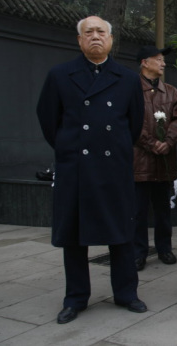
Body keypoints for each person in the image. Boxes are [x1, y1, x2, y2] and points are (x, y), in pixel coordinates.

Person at [36, 16, 147, 324]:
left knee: (121, 233)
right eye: (89, 32)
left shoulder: (126, 79)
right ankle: (75, 298)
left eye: (101, 32)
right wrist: (68, 148)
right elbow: (48, 120)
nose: (95, 37)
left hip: (114, 168)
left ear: (111, 40)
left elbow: (135, 124)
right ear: (79, 40)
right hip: (76, 169)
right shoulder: (59, 76)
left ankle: (127, 293)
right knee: (73, 236)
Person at [133, 46, 177, 271]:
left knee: (163, 209)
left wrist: (168, 142)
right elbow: (130, 121)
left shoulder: (172, 91)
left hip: (165, 161)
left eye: (163, 60)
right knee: (138, 211)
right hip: (139, 161)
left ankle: (165, 248)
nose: (163, 64)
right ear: (145, 62)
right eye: (158, 60)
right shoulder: (131, 89)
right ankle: (138, 253)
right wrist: (151, 143)